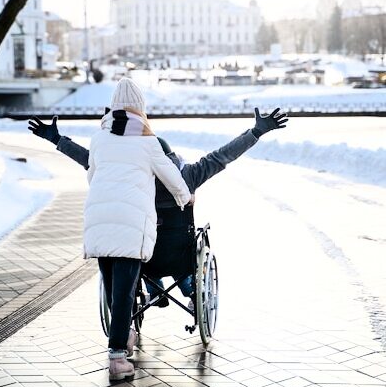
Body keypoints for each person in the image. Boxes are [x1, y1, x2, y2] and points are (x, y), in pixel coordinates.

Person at [29, 107, 288, 309]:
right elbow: (222, 156)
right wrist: (255, 132)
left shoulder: (132, 178)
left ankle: (153, 289)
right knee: (182, 254)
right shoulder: (188, 176)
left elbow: (88, 159)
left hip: (140, 254)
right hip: (176, 254)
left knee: (144, 250)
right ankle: (188, 289)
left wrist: (56, 139)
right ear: (173, 158)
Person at [80, 78, 191, 380]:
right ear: (140, 108)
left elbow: (92, 176)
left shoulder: (98, 139)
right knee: (125, 293)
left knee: (114, 289)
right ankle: (117, 359)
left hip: (99, 221)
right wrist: (185, 198)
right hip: (130, 225)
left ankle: (125, 334)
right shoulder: (147, 141)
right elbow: (174, 180)